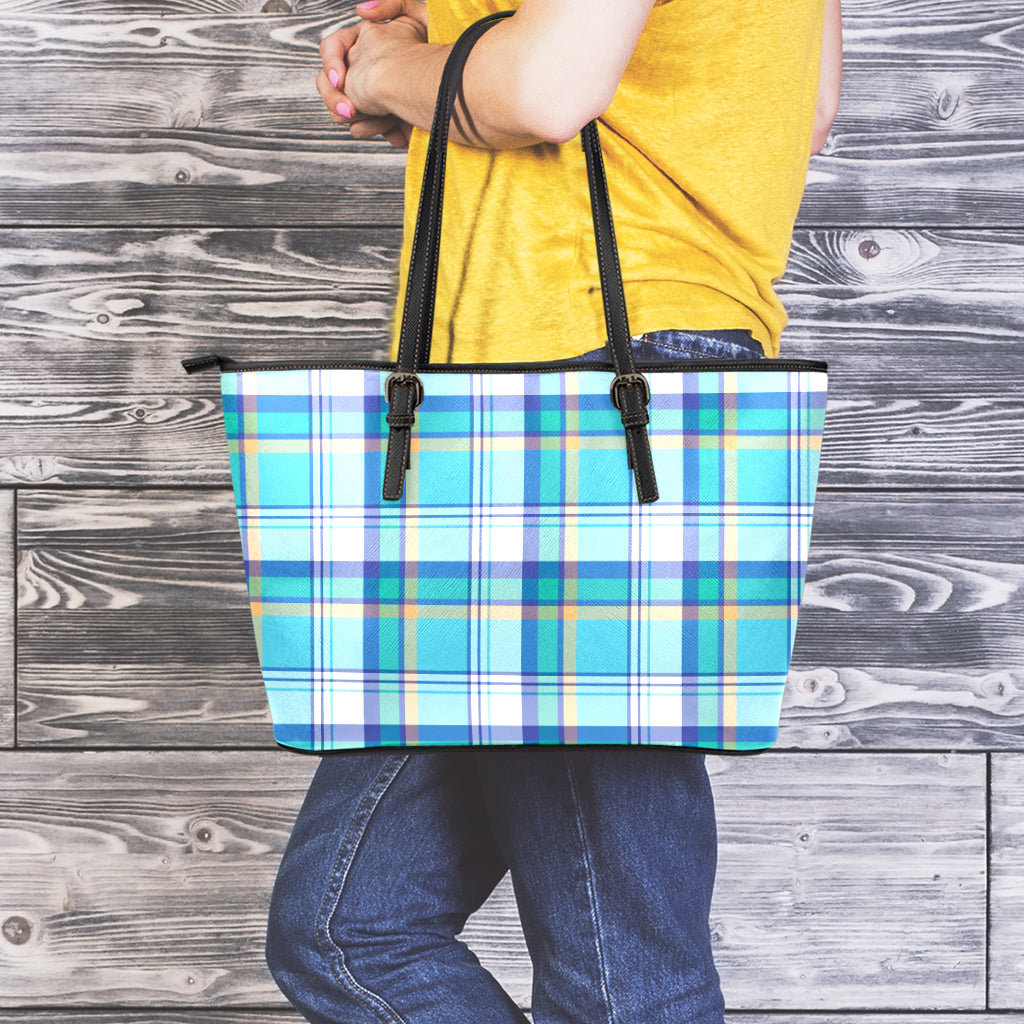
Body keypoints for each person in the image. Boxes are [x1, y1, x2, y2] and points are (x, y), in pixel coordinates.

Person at [265, 2, 842, 1023]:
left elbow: (542, 90)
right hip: (527, 411)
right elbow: (796, 105)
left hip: (581, 392)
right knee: (346, 927)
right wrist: (439, 70)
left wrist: (392, 67)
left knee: (623, 981)